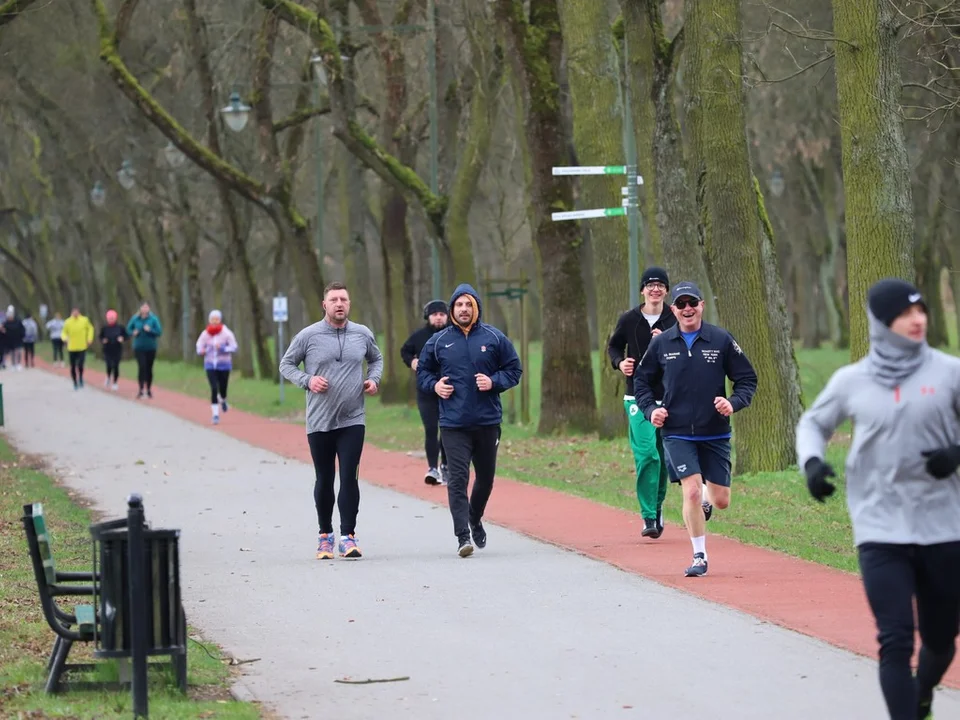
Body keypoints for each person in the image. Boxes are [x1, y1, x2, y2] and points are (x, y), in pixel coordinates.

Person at [795, 278, 960, 720]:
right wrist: (812, 464)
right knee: (895, 638)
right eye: (905, 314)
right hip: (879, 524)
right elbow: (813, 424)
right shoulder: (853, 380)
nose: (918, 319)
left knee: (942, 637)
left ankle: (922, 691)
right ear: (882, 325)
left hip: (943, 523)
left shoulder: (949, 372)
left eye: (921, 310)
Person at [633, 281, 757, 577]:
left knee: (721, 501)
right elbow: (642, 381)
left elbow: (747, 380)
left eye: (693, 303)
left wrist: (732, 403)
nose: (688, 309)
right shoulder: (662, 344)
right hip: (676, 431)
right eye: (681, 304)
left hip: (714, 431)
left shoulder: (721, 340)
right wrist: (652, 411)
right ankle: (699, 556)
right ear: (673, 309)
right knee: (689, 492)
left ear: (702, 305)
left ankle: (705, 495)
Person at [416, 283, 523, 558]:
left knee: (485, 479)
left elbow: (514, 369)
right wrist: (435, 386)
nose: (463, 309)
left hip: (487, 421)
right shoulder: (439, 341)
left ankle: (475, 518)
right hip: (453, 423)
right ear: (452, 310)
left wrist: (493, 381)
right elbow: (423, 372)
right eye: (459, 305)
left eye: (468, 305)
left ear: (476, 308)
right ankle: (463, 535)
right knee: (457, 478)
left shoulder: (494, 337)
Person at [279, 281, 383, 560]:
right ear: (325, 305)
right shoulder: (308, 336)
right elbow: (286, 364)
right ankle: (325, 535)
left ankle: (348, 536)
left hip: (353, 419)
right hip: (320, 420)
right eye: (334, 300)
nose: (339, 304)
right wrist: (308, 380)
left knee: (349, 476)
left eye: (344, 300)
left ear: (349, 304)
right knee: (325, 479)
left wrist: (373, 380)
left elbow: (376, 359)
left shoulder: (362, 334)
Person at [607, 266, 677, 539]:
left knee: (661, 455)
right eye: (651, 285)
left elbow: (686, 348)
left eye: (661, 285)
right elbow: (613, 346)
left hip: (669, 395)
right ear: (643, 290)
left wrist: (668, 342)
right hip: (636, 394)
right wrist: (619, 362)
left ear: (666, 291)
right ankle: (648, 516)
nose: (655, 289)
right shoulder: (629, 319)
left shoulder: (675, 318)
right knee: (647, 453)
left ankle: (657, 507)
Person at [401, 299, 450, 485]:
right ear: (428, 317)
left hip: (448, 390)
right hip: (425, 391)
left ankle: (446, 466)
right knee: (431, 429)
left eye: (442, 314)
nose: (438, 318)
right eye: (435, 314)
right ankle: (432, 468)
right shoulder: (419, 336)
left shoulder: (453, 335)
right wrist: (412, 362)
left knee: (447, 429)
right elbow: (405, 351)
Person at [196, 310, 238, 425]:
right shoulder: (205, 333)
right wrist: (201, 351)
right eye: (212, 319)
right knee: (214, 388)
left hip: (224, 365)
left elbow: (234, 347)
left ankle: (223, 400)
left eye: (216, 319)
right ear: (209, 321)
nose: (214, 321)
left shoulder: (226, 333)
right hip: (210, 364)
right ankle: (215, 415)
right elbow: (199, 345)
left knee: (223, 388)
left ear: (220, 320)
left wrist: (223, 348)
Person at [126, 302, 163, 399]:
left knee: (149, 368)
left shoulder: (153, 319)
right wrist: (133, 332)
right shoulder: (135, 319)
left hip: (151, 347)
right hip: (139, 347)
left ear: (149, 309)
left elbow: (159, 332)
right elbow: (128, 330)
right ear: (140, 308)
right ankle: (141, 389)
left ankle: (149, 389)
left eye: (147, 307)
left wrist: (150, 330)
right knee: (141, 367)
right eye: (143, 307)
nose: (145, 309)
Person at [61, 307, 94, 390]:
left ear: (79, 312)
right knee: (72, 366)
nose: (75, 314)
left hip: (82, 346)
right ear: (71, 313)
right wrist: (64, 338)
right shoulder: (68, 322)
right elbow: (63, 332)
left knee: (80, 364)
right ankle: (75, 382)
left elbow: (90, 328)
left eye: (76, 312)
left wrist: (89, 339)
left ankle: (81, 378)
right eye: (73, 312)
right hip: (72, 347)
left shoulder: (84, 320)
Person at [99, 309, 127, 390]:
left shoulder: (120, 327)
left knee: (116, 366)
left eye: (112, 318)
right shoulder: (104, 328)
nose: (111, 320)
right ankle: (108, 377)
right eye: (109, 318)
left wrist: (122, 338)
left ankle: (115, 382)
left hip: (117, 349)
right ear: (107, 319)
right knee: (109, 365)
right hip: (107, 349)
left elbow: (126, 336)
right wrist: (103, 340)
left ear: (115, 318)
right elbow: (100, 337)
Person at [3, 306, 25, 371]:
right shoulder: (6, 323)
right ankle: (13, 364)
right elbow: (4, 330)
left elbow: (22, 329)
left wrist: (22, 335)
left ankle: (18, 364)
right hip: (10, 340)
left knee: (18, 351)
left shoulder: (18, 321)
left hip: (18, 339)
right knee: (12, 352)